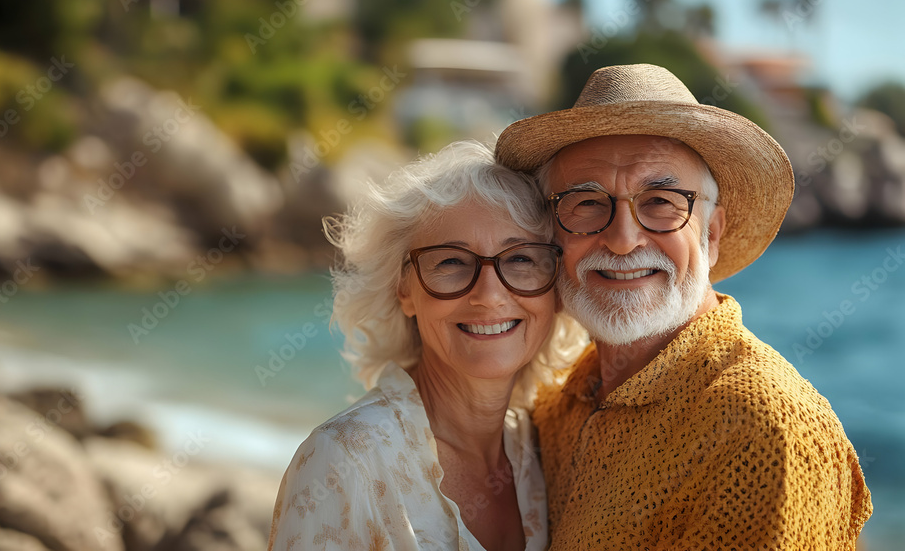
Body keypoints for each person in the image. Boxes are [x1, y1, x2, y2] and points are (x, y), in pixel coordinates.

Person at [494, 64, 873, 549]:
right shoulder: (561, 402)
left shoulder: (762, 429)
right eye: (586, 203)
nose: (624, 240)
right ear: (553, 234)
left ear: (710, 235)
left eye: (661, 201)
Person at [268, 140, 586, 550]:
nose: (488, 295)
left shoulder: (546, 448)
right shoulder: (344, 463)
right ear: (404, 289)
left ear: (556, 290)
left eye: (521, 259)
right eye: (451, 261)